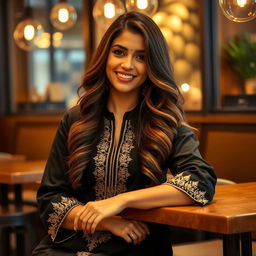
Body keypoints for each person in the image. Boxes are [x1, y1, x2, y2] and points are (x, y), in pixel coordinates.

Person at [33, 11, 216, 256]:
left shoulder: (166, 121)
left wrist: (122, 201)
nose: (127, 65)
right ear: (105, 55)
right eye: (119, 52)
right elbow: (50, 198)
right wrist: (107, 220)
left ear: (152, 64)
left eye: (141, 57)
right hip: (67, 247)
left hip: (137, 246)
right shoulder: (76, 119)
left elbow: (200, 181)